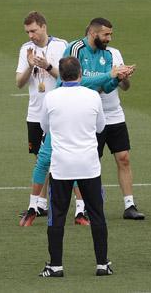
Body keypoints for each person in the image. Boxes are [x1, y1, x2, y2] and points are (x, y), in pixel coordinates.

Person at [39, 56, 110, 277]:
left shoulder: (51, 98)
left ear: (61, 74)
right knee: (97, 214)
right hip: (89, 164)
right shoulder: (92, 96)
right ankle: (102, 264)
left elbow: (44, 126)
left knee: (57, 215)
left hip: (62, 165)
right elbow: (101, 127)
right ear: (80, 73)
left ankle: (56, 265)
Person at [66, 18, 143, 219]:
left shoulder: (109, 54)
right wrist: (109, 75)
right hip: (86, 115)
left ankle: (130, 205)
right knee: (90, 162)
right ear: (93, 33)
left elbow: (105, 87)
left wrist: (119, 78)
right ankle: (83, 207)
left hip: (113, 114)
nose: (110, 38)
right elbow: (76, 82)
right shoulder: (76, 49)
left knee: (124, 158)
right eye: (106, 34)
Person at [15, 12, 82, 226]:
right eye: (28, 32)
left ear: (44, 27)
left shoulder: (61, 46)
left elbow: (68, 77)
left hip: (59, 110)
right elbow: (19, 82)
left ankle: (78, 205)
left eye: (34, 30)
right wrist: (29, 65)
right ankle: (41, 204)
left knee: (63, 158)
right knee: (40, 159)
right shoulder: (26, 49)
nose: (31, 35)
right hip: (35, 112)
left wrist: (46, 66)